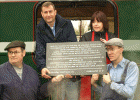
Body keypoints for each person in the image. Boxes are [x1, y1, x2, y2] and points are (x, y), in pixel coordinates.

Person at [35, 2, 80, 100]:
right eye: (45, 12)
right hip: (54, 76)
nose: (48, 14)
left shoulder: (67, 24)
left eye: (50, 11)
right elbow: (39, 50)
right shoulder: (39, 29)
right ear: (42, 14)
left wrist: (70, 69)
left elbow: (73, 47)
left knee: (73, 97)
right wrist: (43, 67)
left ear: (55, 12)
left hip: (70, 75)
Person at [79, 11, 115, 99]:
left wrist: (108, 46)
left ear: (104, 22)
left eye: (98, 21)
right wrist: (93, 69)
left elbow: (116, 56)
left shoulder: (112, 37)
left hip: (108, 72)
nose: (96, 24)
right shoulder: (86, 37)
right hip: (89, 73)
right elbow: (82, 56)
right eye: (93, 22)